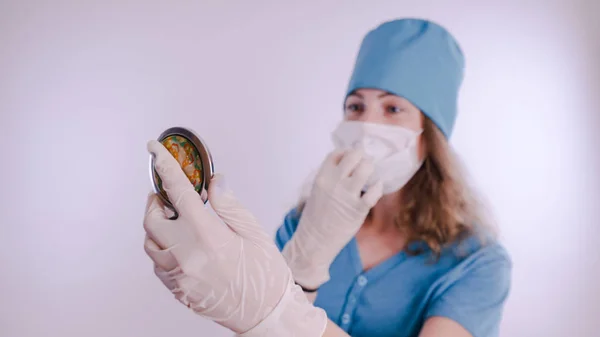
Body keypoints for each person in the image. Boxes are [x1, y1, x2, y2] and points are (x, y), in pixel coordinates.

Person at [143, 18, 511, 337]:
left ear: (431, 136)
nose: (368, 124)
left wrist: (275, 310)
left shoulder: (476, 262)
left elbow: (268, 317)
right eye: (356, 107)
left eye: (393, 108)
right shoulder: (304, 224)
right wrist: (303, 261)